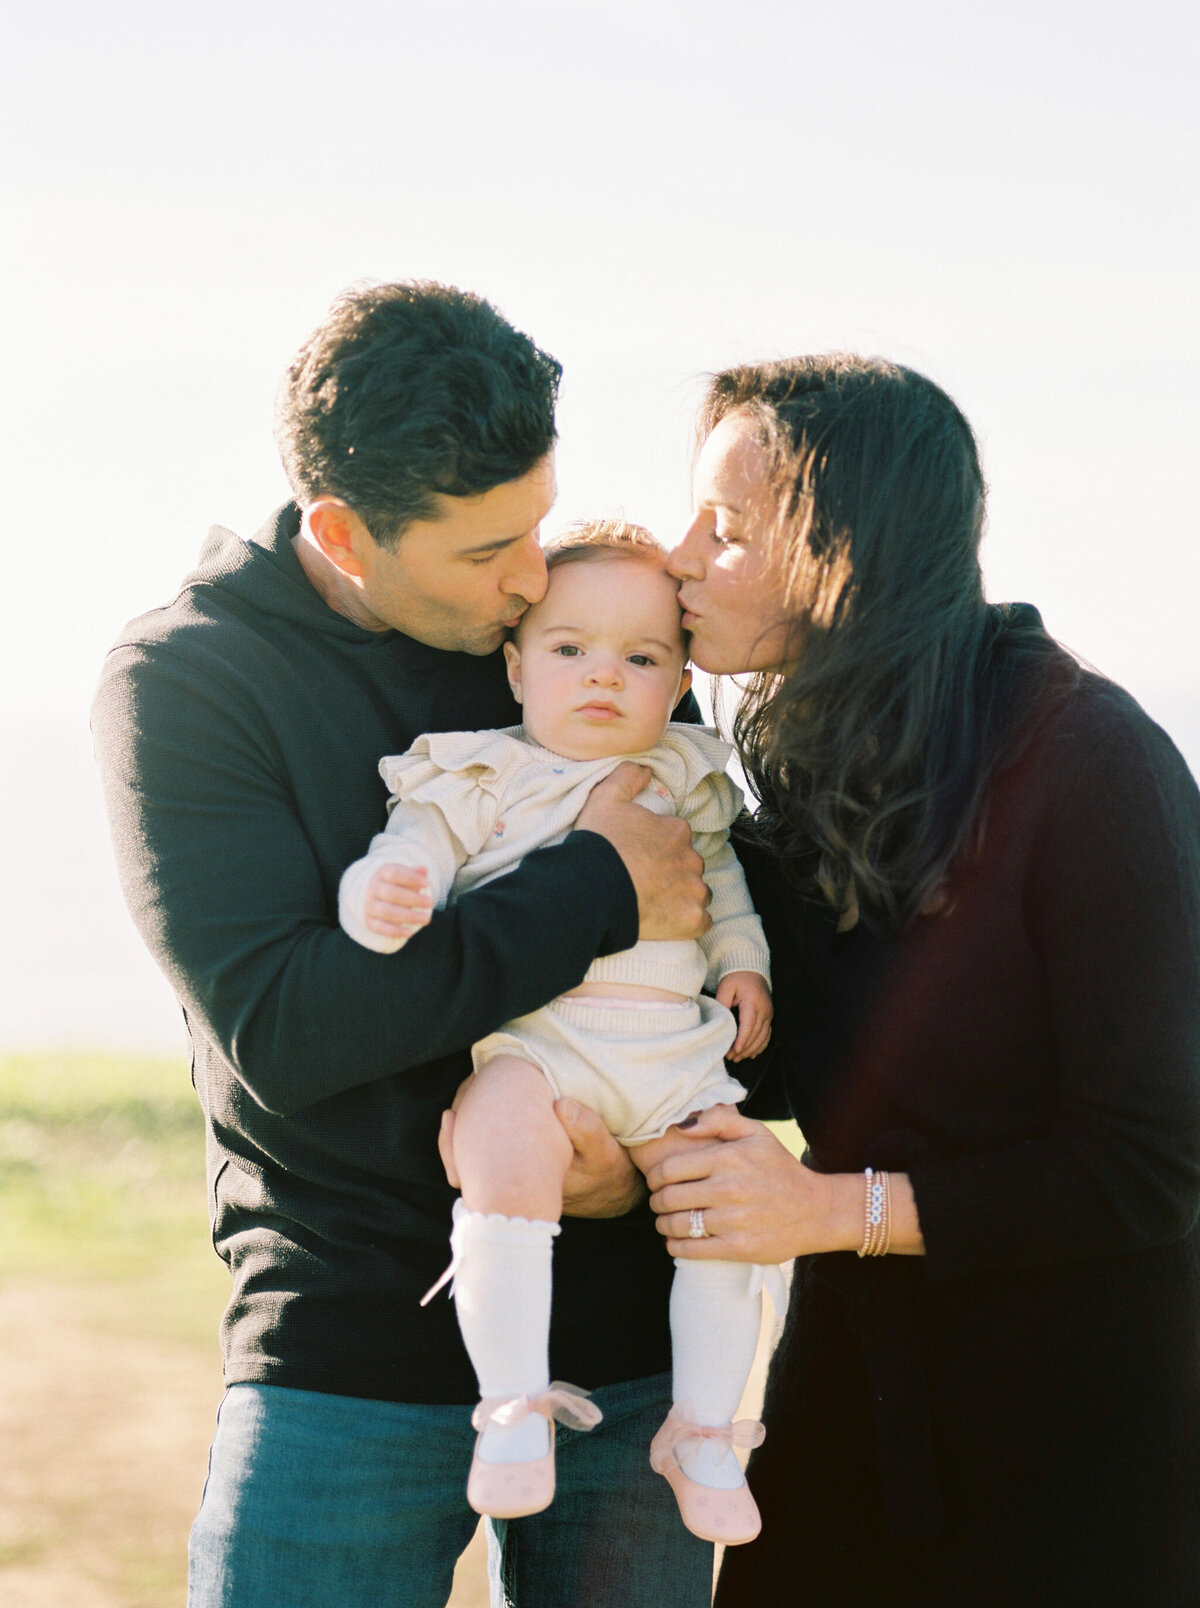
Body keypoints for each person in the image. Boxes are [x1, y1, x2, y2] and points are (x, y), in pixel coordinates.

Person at [91, 281, 719, 1608]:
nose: (531, 578)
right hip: (347, 1360)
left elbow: (714, 956)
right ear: (342, 530)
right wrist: (599, 880)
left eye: (540, 523)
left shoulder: (579, 638)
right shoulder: (187, 684)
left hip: (629, 1350)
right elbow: (294, 1031)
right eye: (486, 549)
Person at [638, 355, 1200, 1606]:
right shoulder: (797, 763)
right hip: (852, 1407)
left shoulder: (1094, 760)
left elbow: (1151, 1166)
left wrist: (831, 1214)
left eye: (723, 530)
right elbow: (783, 1062)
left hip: (1076, 1445)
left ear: (843, 550)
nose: (682, 556)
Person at [338, 520, 776, 1544]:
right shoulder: (481, 772)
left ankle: (706, 1426)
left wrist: (743, 963)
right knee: (498, 1150)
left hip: (671, 1055)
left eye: (641, 658)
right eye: (569, 649)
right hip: (542, 1050)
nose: (601, 678)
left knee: (722, 1205)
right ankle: (513, 1410)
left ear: (676, 685)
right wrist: (385, 894)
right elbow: (415, 849)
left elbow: (721, 881)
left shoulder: (686, 775)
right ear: (516, 665)